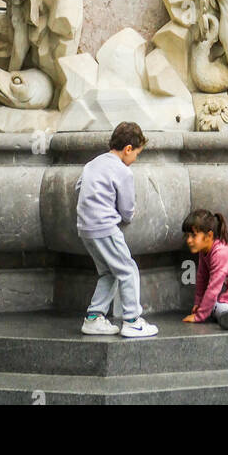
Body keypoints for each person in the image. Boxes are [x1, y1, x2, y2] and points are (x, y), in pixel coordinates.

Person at [76, 121, 158, 340]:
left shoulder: (93, 163)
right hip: (105, 227)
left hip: (85, 228)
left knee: (108, 272)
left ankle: (93, 318)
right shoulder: (123, 171)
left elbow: (79, 187)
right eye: (137, 154)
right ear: (128, 149)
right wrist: (127, 217)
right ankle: (132, 321)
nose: (135, 160)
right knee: (128, 270)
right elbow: (127, 208)